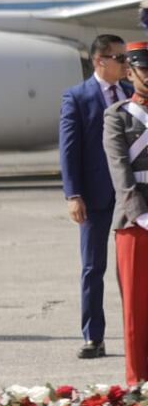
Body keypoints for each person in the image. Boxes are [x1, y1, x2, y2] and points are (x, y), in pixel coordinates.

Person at [61, 33, 131, 359]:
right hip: (95, 195)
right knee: (93, 267)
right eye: (120, 58)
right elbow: (69, 150)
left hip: (132, 194)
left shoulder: (133, 93)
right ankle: (94, 337)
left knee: (135, 268)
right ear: (100, 60)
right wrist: (73, 194)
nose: (126, 64)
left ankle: (137, 337)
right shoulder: (77, 97)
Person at [102, 40, 148, 384]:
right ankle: (138, 381)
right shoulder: (117, 116)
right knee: (136, 305)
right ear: (130, 73)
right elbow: (120, 170)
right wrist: (141, 215)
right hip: (134, 221)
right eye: (144, 69)